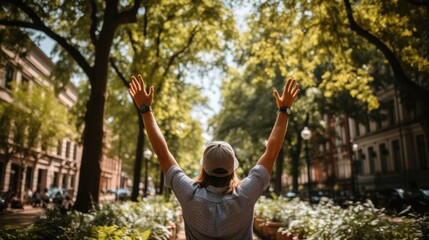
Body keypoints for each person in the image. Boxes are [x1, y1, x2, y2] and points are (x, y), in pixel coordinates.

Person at [129, 75, 299, 239]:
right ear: (233, 168)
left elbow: (161, 151)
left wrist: (145, 110)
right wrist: (284, 110)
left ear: (204, 167)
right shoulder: (246, 194)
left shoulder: (188, 193)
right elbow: (272, 151)